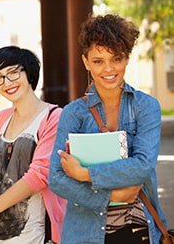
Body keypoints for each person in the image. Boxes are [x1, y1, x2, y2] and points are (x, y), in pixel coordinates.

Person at [49, 14, 167, 244]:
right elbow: (56, 178)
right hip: (85, 233)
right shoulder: (73, 113)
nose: (108, 69)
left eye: (116, 59)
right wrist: (111, 195)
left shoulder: (146, 107)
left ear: (126, 58)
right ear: (85, 62)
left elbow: (142, 166)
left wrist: (85, 174)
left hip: (137, 229)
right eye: (98, 61)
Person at [0, 46, 66, 244]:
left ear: (28, 72)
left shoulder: (54, 118)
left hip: (34, 237)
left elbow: (39, 176)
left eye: (13, 73)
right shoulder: (1, 119)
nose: (7, 83)